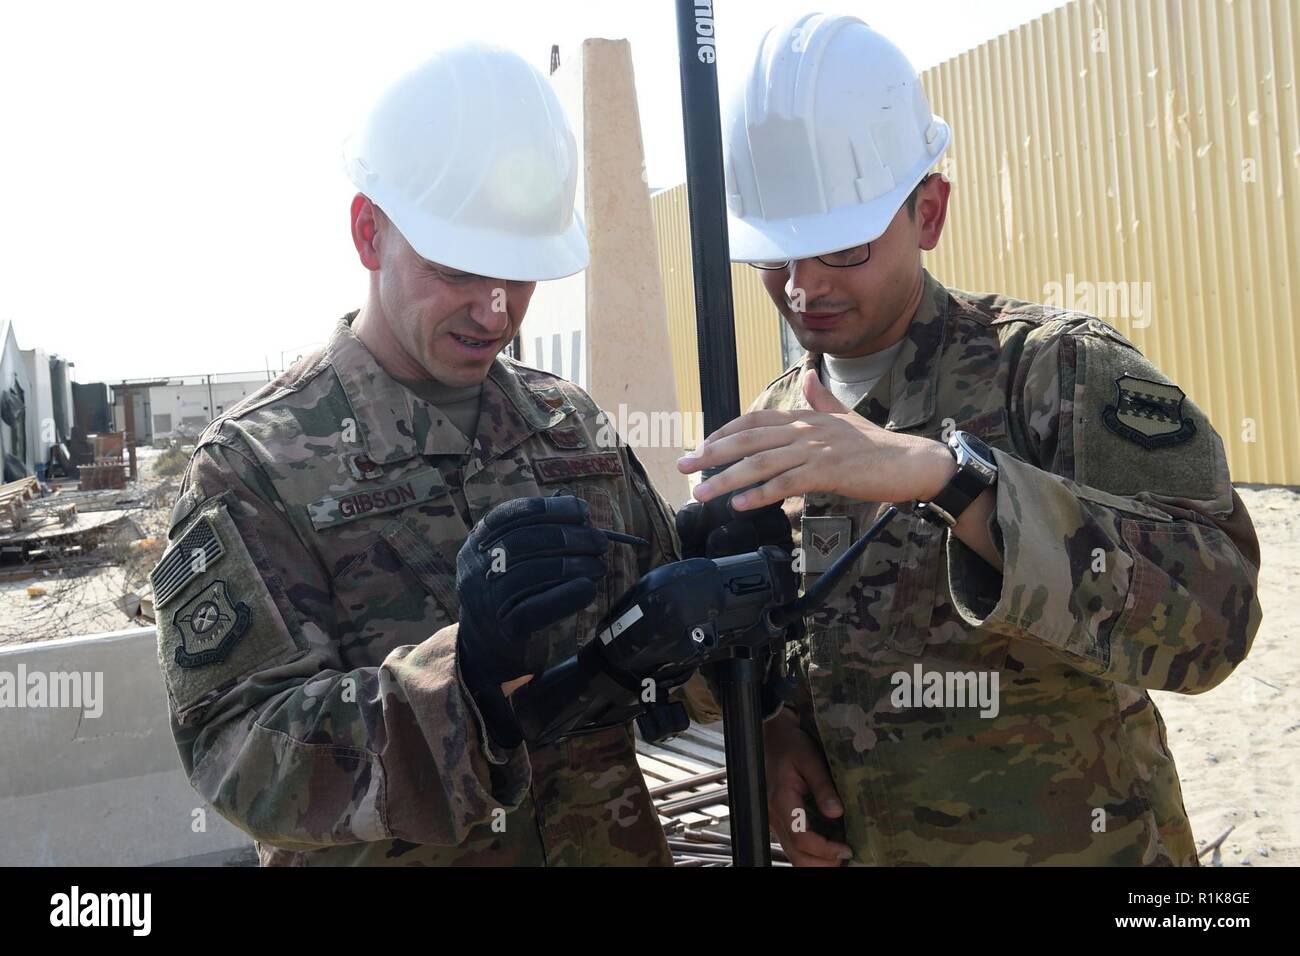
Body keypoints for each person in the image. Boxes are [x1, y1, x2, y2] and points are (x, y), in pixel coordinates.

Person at [677, 12, 1262, 866]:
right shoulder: (775, 425)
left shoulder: (1056, 372)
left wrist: (960, 484)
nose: (802, 288)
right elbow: (790, 653)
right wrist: (768, 728)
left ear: (930, 210)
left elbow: (1218, 615)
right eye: (775, 254)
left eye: (841, 246)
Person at [150, 42, 704, 866]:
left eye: (520, 273)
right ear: (370, 233)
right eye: (458, 270)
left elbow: (663, 643)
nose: (495, 309)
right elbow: (240, 758)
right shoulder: (255, 468)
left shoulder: (568, 426)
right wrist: (465, 675)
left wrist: (712, 575)